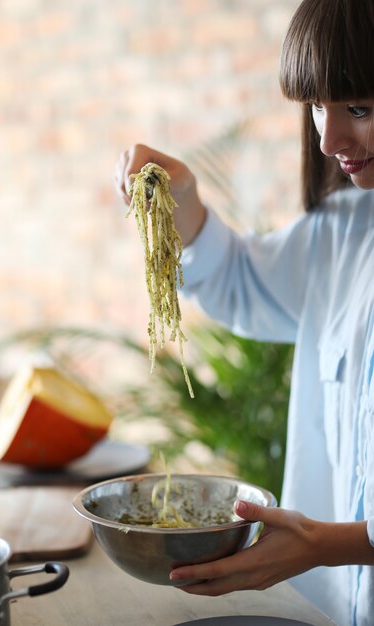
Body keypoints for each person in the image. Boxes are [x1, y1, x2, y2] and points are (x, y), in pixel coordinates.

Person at [115, 1, 374, 625]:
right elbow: (239, 282)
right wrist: (185, 202)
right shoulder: (343, 233)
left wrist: (327, 545)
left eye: (360, 109)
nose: (328, 139)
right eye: (317, 106)